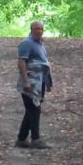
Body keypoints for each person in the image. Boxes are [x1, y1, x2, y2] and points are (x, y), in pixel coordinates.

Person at [16, 20, 54, 149]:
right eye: (37, 29)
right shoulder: (26, 43)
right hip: (30, 82)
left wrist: (48, 82)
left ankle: (21, 139)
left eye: (41, 29)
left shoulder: (40, 45)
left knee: (31, 110)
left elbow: (44, 64)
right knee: (34, 110)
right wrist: (26, 81)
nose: (39, 31)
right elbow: (21, 62)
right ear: (31, 29)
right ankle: (36, 139)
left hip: (40, 82)